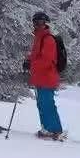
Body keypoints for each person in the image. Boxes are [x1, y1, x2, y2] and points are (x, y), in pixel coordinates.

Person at [25, 11, 64, 140]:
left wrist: (31, 65)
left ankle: (55, 130)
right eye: (35, 22)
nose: (37, 25)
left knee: (47, 104)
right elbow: (36, 56)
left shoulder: (48, 39)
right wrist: (28, 60)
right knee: (41, 104)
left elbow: (46, 60)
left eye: (40, 22)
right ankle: (46, 128)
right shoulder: (38, 38)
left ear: (45, 23)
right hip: (39, 78)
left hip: (47, 77)